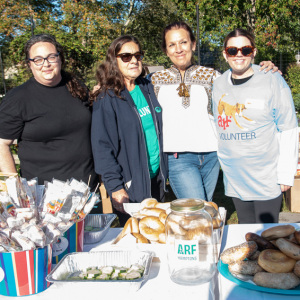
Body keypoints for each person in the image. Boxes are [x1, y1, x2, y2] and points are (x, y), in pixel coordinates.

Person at [151, 21, 279, 202]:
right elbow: (128, 89)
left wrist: (262, 69)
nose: (178, 49)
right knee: (198, 209)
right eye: (172, 45)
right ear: (166, 50)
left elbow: (242, 82)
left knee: (204, 211)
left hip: (211, 156)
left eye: (183, 42)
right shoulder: (153, 81)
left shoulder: (214, 77)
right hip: (178, 158)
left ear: (193, 44)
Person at [212, 28, 298, 224]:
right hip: (235, 178)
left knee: (266, 238)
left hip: (265, 177)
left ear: (254, 52)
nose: (239, 55)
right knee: (248, 235)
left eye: (246, 49)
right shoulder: (218, 84)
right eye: (233, 51)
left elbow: (288, 126)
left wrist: (286, 173)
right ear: (225, 54)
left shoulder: (272, 79)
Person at [0, 34, 99, 191]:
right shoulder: (18, 99)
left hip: (86, 191)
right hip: (43, 195)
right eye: (38, 59)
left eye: (51, 57)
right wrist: (16, 188)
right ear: (29, 64)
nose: (45, 64)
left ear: (60, 59)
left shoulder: (77, 87)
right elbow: (2, 145)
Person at [91, 35, 168, 226]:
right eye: (126, 56)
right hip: (130, 184)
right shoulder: (107, 97)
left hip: (155, 179)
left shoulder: (148, 88)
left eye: (137, 55)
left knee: (157, 234)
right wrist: (115, 187)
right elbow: (102, 147)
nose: (133, 60)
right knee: (137, 239)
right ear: (114, 61)